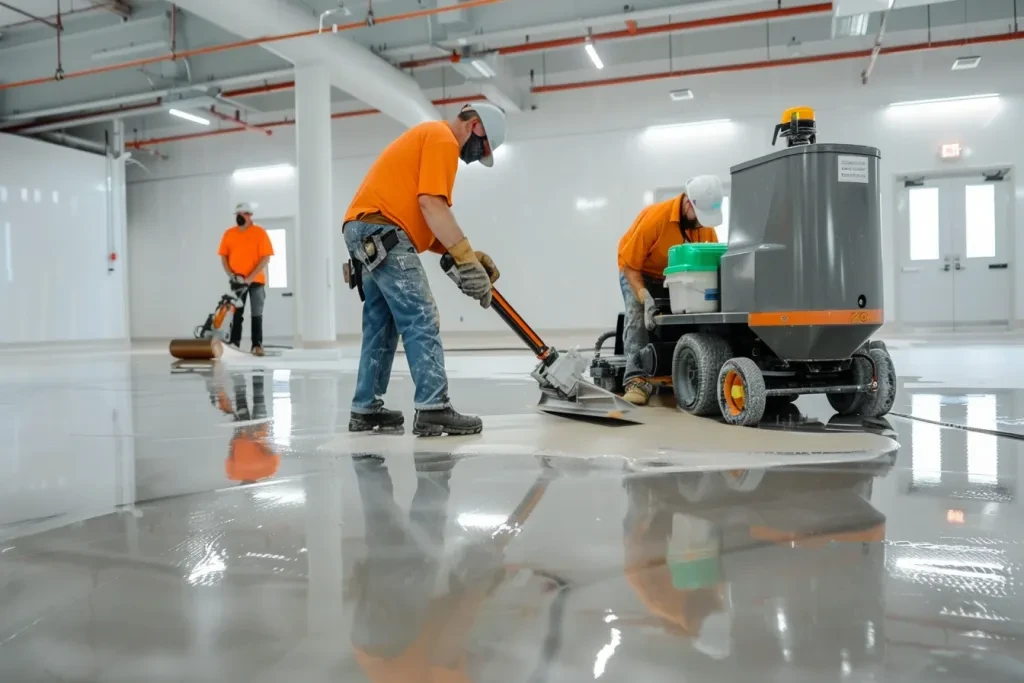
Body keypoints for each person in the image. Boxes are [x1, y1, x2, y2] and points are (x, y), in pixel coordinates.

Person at [342, 102, 506, 437]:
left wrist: (465, 257)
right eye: (484, 147)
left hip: (367, 230)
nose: (478, 155)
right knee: (420, 316)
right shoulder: (442, 138)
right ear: (475, 126)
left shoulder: (429, 138)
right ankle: (434, 408)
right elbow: (431, 204)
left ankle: (365, 408)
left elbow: (427, 228)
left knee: (381, 323)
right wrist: (464, 258)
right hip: (382, 231)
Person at [617, 176, 724, 406]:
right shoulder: (655, 218)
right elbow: (629, 266)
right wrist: (645, 297)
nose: (702, 224)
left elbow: (712, 262)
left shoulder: (704, 229)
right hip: (639, 272)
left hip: (673, 277)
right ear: (688, 204)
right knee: (637, 318)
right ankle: (635, 379)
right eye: (699, 216)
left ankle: (684, 368)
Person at [218, 202, 274, 357]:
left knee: (256, 313)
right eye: (237, 214)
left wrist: (250, 277)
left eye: (242, 214)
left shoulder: (259, 233)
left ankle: (257, 345)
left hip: (256, 281)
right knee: (236, 313)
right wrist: (231, 275)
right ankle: (234, 343)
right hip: (237, 281)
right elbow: (223, 256)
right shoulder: (229, 234)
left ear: (249, 216)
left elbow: (265, 258)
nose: (239, 217)